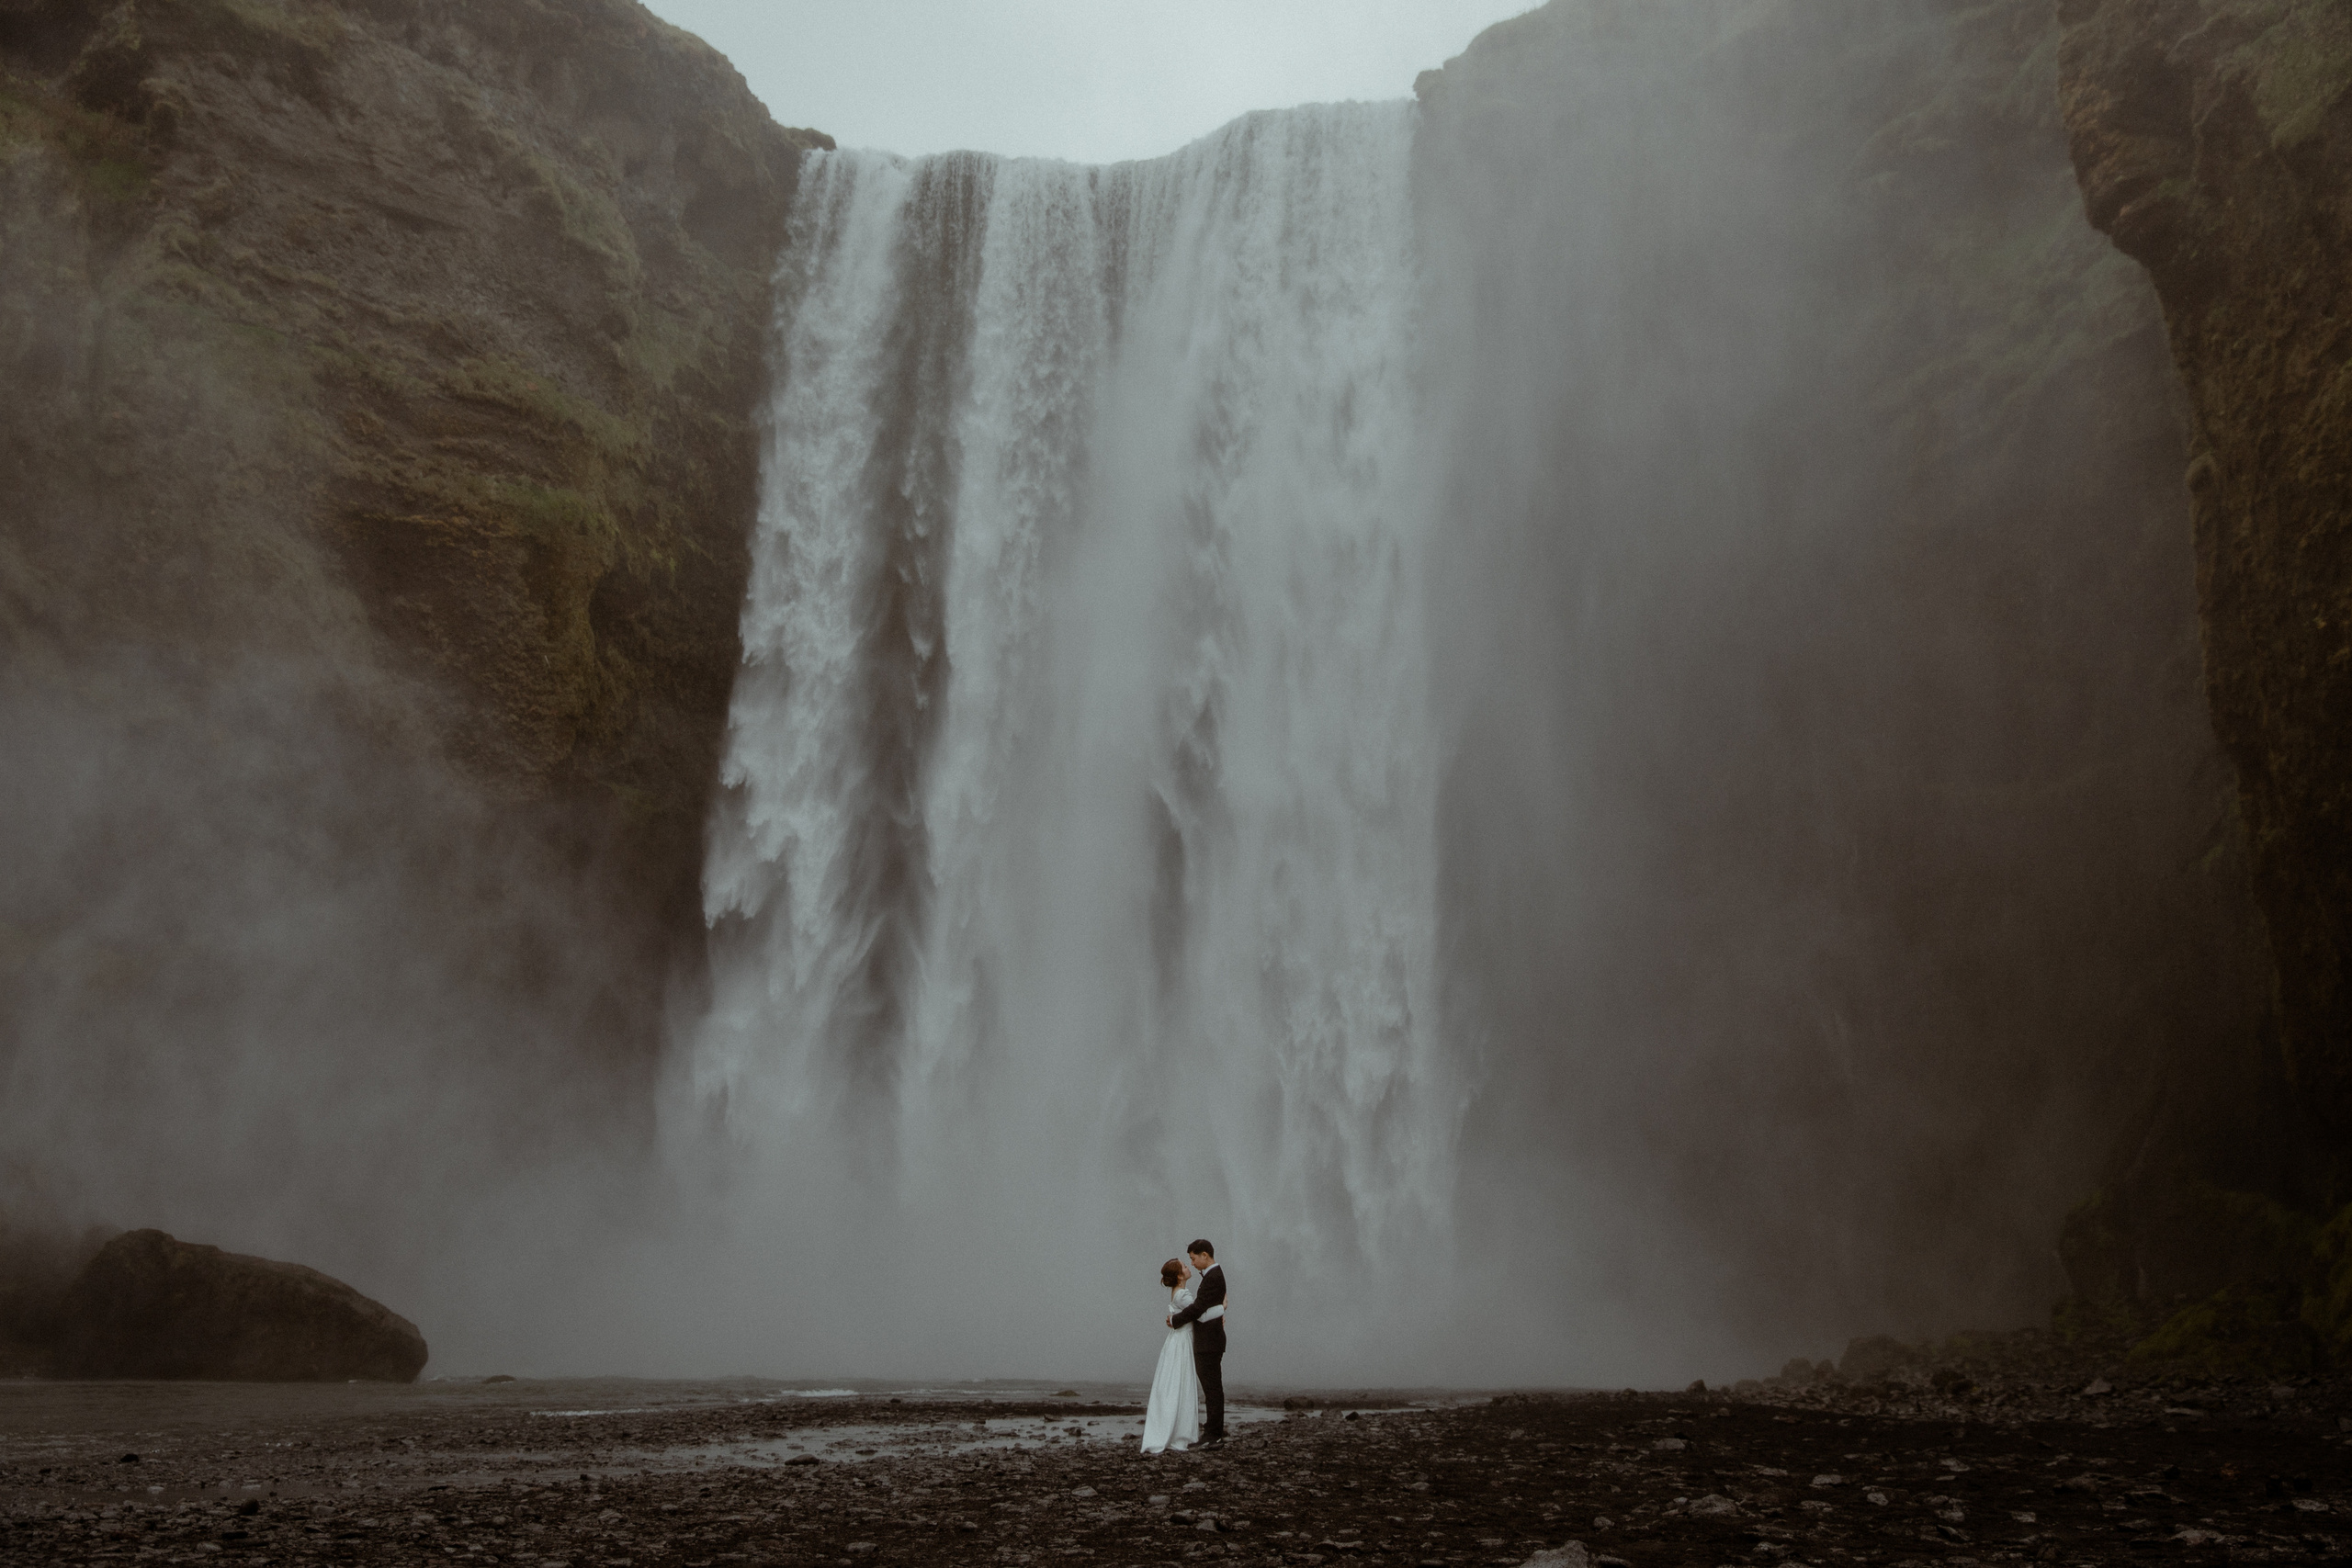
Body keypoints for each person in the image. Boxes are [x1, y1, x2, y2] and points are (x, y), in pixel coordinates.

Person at [1167, 1239, 1227, 1449]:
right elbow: (1204, 1309)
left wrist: (1175, 1320)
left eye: (1193, 1258)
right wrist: (1221, 1309)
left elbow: (1199, 1309)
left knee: (1212, 1389)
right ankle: (1212, 1432)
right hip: (1208, 1341)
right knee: (1212, 1389)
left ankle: (1213, 1435)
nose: (1192, 1263)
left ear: (1205, 1255)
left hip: (1209, 1343)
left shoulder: (1213, 1277)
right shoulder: (1212, 1276)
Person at [1139, 1256, 1200, 1453]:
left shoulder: (1179, 1292)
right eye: (1184, 1266)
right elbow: (1200, 1312)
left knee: (1174, 1384)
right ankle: (1179, 1434)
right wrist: (1222, 1307)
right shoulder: (1182, 1295)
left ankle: (1174, 1431)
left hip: (1177, 1340)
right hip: (1181, 1343)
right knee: (1180, 1384)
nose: (1188, 1266)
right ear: (1179, 1276)